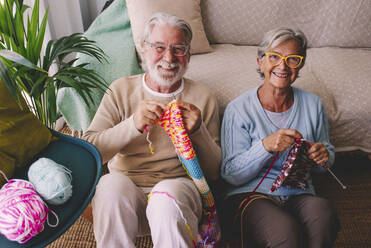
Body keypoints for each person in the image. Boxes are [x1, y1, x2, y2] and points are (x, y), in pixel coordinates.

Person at [82, 12, 221, 248]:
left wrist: (197, 131)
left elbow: (215, 172)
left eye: (178, 48)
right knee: (110, 185)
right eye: (159, 47)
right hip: (128, 200)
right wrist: (131, 125)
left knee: (165, 195)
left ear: (187, 55)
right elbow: (90, 153)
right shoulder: (120, 90)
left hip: (178, 195)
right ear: (144, 49)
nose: (169, 57)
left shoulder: (202, 97)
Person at [220, 28, 339, 248]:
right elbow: (230, 174)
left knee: (323, 214)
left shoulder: (313, 105)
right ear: (260, 62)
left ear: (300, 65)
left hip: (299, 193)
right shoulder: (238, 109)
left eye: (292, 59)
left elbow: (326, 162)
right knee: (285, 231)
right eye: (274, 57)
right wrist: (265, 146)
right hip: (251, 194)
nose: (282, 66)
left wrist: (324, 156)